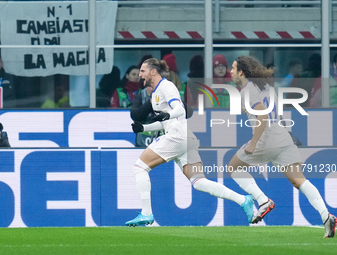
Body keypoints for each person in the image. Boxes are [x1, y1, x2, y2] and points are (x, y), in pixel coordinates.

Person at [125, 58, 254, 227]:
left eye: (143, 71)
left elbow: (179, 109)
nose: (140, 74)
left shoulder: (167, 86)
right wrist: (144, 128)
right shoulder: (156, 93)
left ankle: (146, 214)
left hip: (176, 137)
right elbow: (165, 122)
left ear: (153, 72)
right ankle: (243, 200)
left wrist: (167, 115)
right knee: (199, 182)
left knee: (139, 167)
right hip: (185, 138)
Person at [227, 55, 336, 238]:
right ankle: (327, 217)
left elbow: (262, 118)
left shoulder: (247, 91)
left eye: (233, 68)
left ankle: (263, 201)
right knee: (298, 180)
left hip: (266, 138)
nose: (230, 71)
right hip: (281, 135)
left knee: (233, 167)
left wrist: (253, 143)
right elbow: (275, 113)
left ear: (241, 72)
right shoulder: (266, 86)